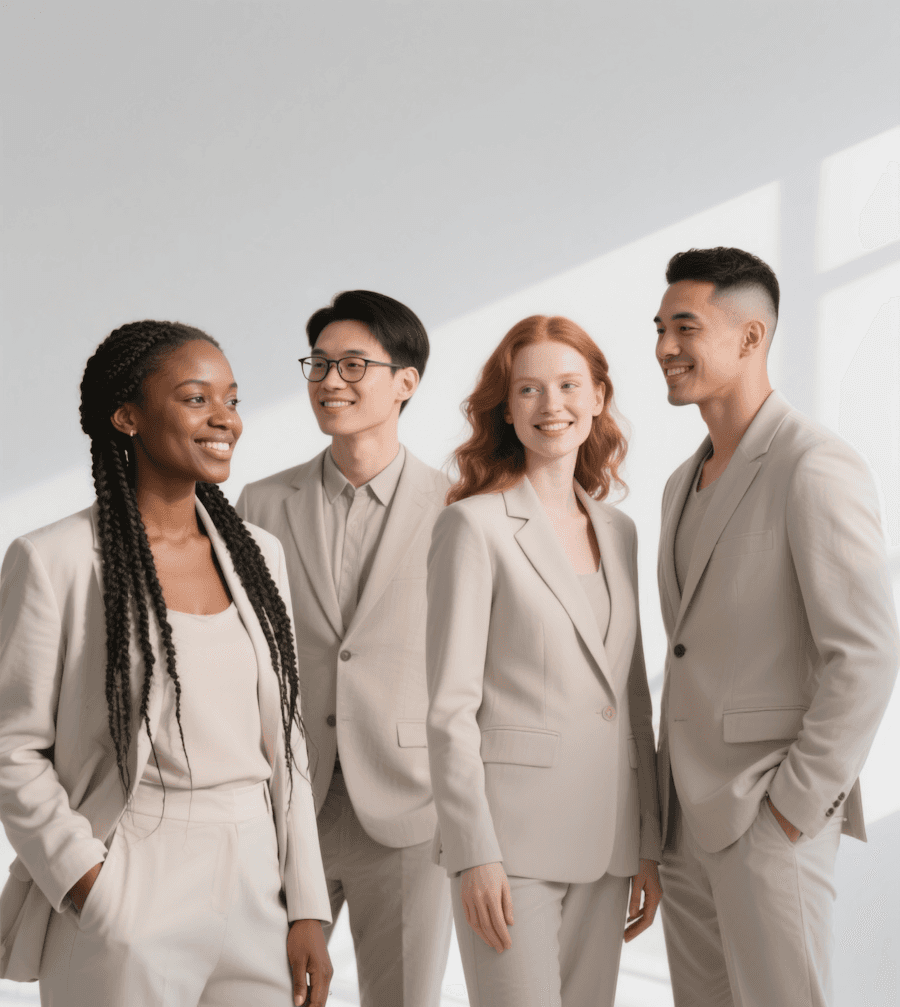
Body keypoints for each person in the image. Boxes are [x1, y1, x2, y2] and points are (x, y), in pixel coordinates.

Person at [0, 321, 333, 1007]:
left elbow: (288, 743)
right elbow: (11, 746)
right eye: (195, 398)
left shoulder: (258, 556)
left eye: (232, 399)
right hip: (133, 865)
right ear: (127, 416)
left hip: (255, 873)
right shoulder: (54, 559)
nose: (225, 419)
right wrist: (88, 883)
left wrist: (306, 904)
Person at [652, 247, 900, 1007]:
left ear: (751, 337)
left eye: (684, 328)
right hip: (683, 819)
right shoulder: (679, 483)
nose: (664, 348)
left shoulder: (814, 464)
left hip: (767, 813)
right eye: (659, 328)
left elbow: (865, 651)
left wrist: (795, 806)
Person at [425, 315, 663, 1007]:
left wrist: (646, 842)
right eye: (528, 389)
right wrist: (473, 851)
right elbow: (449, 709)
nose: (550, 404)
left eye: (567, 384)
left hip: (611, 840)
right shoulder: (472, 525)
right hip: (510, 846)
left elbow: (631, 700)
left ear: (597, 397)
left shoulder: (618, 531)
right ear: (506, 407)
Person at [237, 291, 453, 1007]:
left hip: (412, 805)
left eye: (353, 364)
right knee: (262, 992)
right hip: (286, 799)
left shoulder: (459, 509)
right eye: (320, 364)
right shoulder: (262, 503)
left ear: (406, 381)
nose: (330, 381)